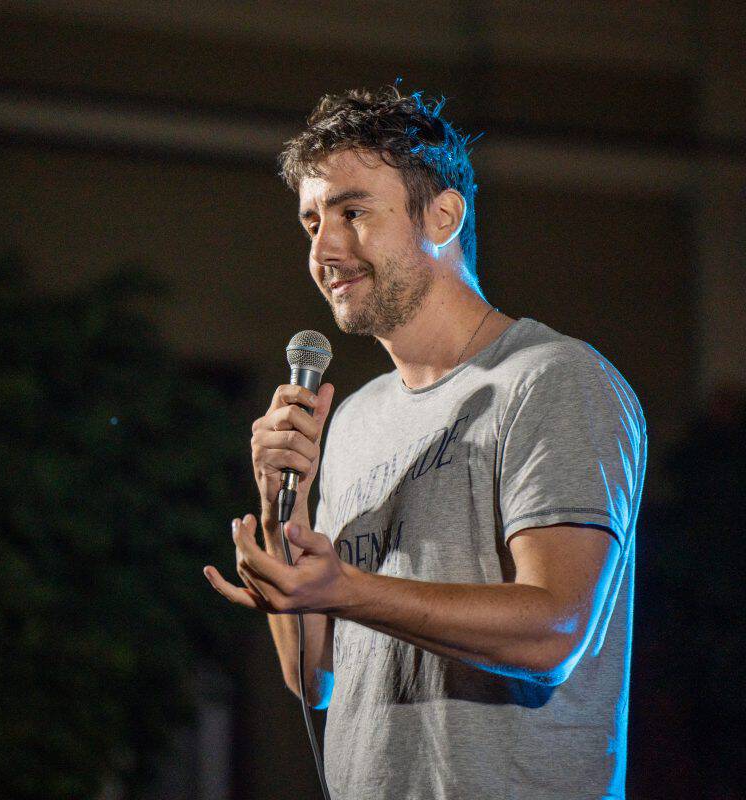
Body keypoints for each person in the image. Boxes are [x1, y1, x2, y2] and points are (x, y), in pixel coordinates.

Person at [203, 86, 646, 799]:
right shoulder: (353, 419)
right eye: (312, 222)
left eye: (352, 212)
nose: (324, 249)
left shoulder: (551, 379)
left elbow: (555, 631)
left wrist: (347, 589)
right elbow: (313, 677)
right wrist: (285, 514)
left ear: (442, 216)